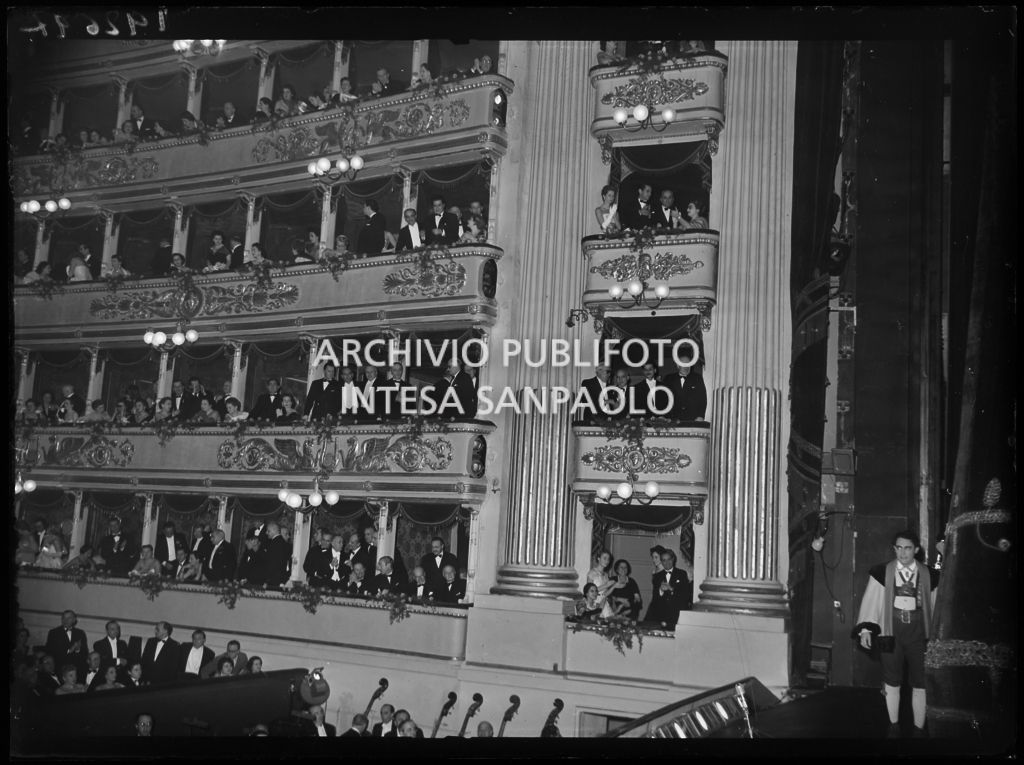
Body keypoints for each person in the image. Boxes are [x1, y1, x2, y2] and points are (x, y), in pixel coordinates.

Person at [854, 529, 939, 737]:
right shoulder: (881, 572)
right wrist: (865, 629)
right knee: (892, 678)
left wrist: (937, 636)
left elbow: (936, 607)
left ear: (916, 549)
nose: (903, 553)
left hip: (919, 631)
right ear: (894, 549)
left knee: (921, 680)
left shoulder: (931, 575)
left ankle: (919, 728)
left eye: (908, 548)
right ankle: (893, 725)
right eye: (899, 548)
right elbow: (871, 600)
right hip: (890, 631)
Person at [644, 549, 692, 627]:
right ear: (661, 561)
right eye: (664, 560)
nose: (667, 563)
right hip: (661, 614)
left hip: (676, 613)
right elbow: (655, 598)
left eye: (669, 559)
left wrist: (671, 589)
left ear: (673, 559)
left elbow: (686, 594)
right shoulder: (657, 576)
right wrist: (661, 590)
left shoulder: (682, 574)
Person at [663, 348, 707, 421]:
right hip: (673, 419)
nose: (686, 367)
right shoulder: (668, 379)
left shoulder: (697, 378)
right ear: (677, 365)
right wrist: (665, 416)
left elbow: (702, 399)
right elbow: (663, 399)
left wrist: (700, 416)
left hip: (692, 419)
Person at [45, 611, 88, 676]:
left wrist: (77, 649)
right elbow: (50, 651)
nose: (66, 620)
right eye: (64, 618)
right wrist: (70, 650)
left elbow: (85, 652)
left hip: (76, 668)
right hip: (60, 668)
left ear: (74, 620)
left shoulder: (80, 633)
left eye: (69, 618)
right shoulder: (54, 633)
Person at [586, 551, 618, 617]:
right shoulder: (592, 572)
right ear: (598, 558)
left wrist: (614, 586)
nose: (607, 561)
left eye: (608, 559)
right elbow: (589, 591)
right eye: (604, 558)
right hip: (594, 601)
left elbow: (605, 593)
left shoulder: (606, 575)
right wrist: (606, 585)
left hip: (604, 602)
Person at [263, 522, 292, 588]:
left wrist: (267, 580)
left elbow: (274, 564)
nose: (266, 533)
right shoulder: (280, 542)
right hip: (279, 579)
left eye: (268, 531)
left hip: (275, 580)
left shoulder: (276, 543)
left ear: (274, 530)